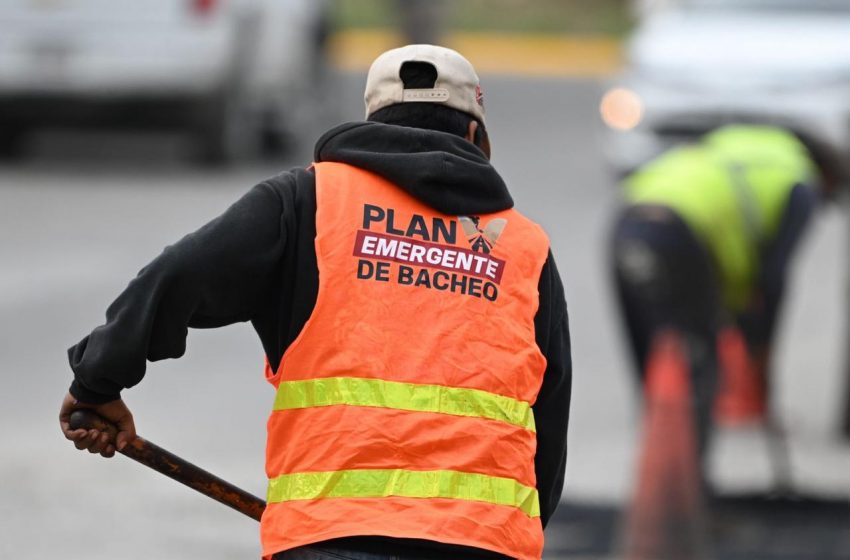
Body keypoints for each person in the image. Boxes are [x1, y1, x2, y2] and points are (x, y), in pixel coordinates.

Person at [59, 45, 572, 560]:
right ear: (473, 136)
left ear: (374, 121)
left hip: (329, 535)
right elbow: (548, 421)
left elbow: (179, 275)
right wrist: (515, 530)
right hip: (480, 543)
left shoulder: (307, 202)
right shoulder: (525, 249)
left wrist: (96, 382)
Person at [610, 124, 844, 466]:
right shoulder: (799, 182)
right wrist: (760, 354)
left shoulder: (742, 143)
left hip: (628, 221)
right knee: (699, 368)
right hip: (681, 233)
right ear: (827, 174)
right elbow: (771, 282)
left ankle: (657, 488)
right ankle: (687, 495)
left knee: (654, 371)